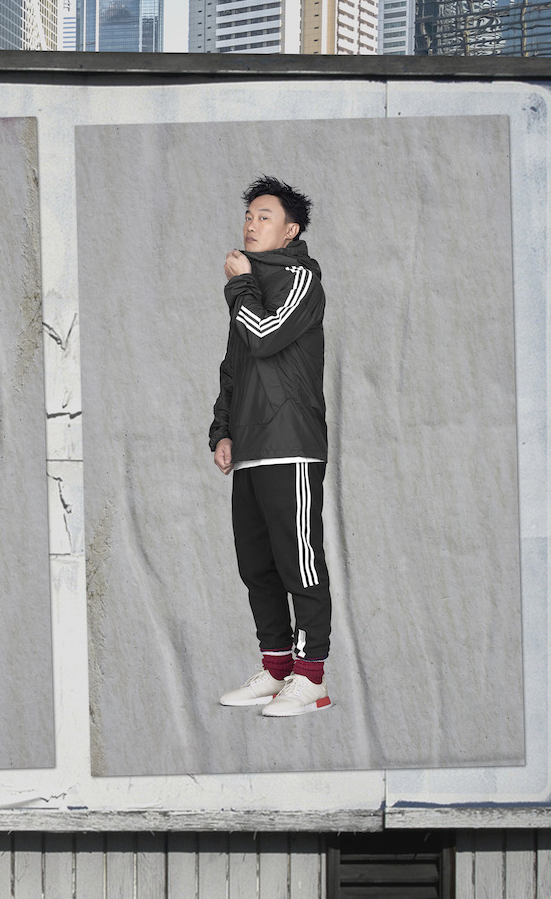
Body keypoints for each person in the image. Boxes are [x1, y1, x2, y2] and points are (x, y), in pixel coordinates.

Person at [209, 175, 332, 717]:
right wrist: (222, 430)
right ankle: (277, 668)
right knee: (256, 566)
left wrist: (240, 285)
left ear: (290, 231)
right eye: (248, 215)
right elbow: (234, 368)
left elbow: (264, 336)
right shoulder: (250, 288)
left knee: (299, 564)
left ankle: (311, 680)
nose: (251, 224)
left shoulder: (300, 279)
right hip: (252, 448)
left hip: (291, 445)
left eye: (264, 216)